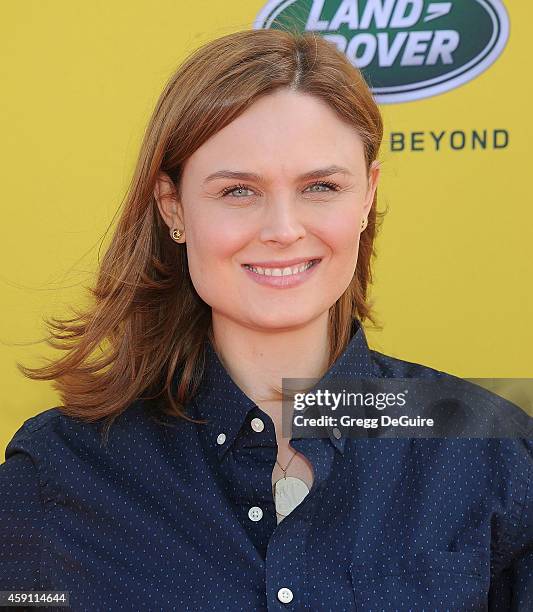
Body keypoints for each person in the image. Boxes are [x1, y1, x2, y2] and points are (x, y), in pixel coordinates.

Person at [0, 27, 531, 611]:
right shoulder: (61, 471)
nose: (283, 228)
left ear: (366, 197)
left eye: (321, 186)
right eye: (238, 192)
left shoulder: (486, 444)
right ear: (173, 205)